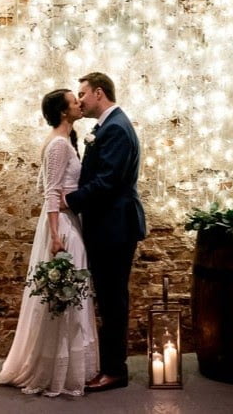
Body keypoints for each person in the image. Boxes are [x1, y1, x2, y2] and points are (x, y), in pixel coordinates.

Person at [0, 89, 99, 397]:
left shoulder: (65, 142)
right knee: (63, 293)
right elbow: (50, 191)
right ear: (64, 112)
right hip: (60, 226)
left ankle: (66, 367)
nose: (80, 104)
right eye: (74, 101)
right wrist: (55, 236)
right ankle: (53, 371)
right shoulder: (58, 145)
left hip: (68, 220)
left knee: (72, 293)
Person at [63, 72, 146, 392]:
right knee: (109, 298)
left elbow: (108, 181)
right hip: (107, 225)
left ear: (99, 93)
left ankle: (115, 371)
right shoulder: (107, 127)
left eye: (82, 94)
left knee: (113, 300)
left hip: (115, 227)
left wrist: (70, 200)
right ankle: (110, 365)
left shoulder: (116, 129)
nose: (80, 100)